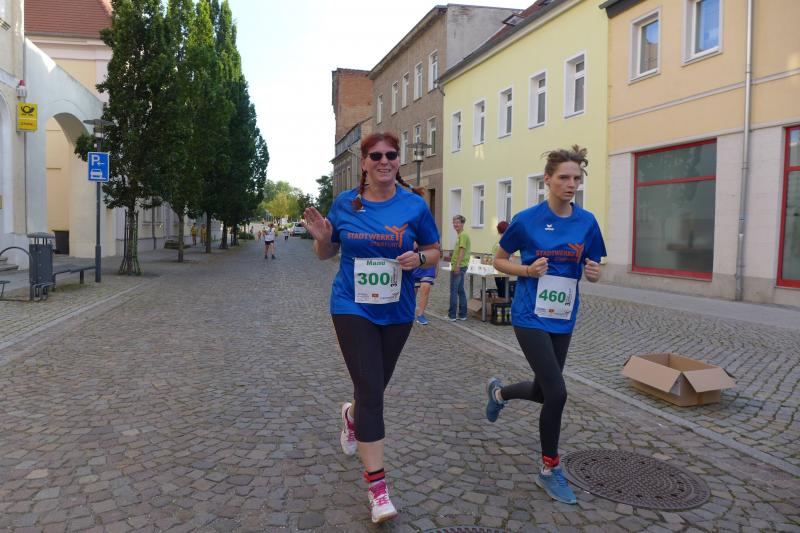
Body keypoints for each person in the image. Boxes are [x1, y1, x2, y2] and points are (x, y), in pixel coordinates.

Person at [303, 132, 440, 524]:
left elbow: (434, 250)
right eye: (375, 155)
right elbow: (326, 253)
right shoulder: (346, 204)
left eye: (391, 155)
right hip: (352, 306)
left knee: (373, 389)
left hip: (397, 310)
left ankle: (351, 416)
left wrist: (420, 259)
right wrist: (323, 240)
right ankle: (378, 488)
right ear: (363, 162)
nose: (384, 161)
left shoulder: (414, 205)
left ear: (398, 160)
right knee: (371, 392)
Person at [485, 145, 605, 505]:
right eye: (564, 177)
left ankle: (499, 394)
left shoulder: (587, 222)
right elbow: (498, 260)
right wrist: (526, 269)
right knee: (558, 393)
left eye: (576, 178)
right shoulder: (527, 220)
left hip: (563, 316)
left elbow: (593, 265)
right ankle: (550, 469)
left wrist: (594, 273)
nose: (571, 184)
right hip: (529, 315)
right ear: (548, 180)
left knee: (543, 391)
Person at [448, 215, 470, 321]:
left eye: (458, 222)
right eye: (454, 222)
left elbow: (462, 251)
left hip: (459, 266)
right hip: (460, 266)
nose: (455, 224)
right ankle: (462, 314)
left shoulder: (463, 235)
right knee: (460, 290)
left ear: (462, 223)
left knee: (454, 290)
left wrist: (457, 265)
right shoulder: (460, 235)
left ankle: (452, 315)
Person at [412, 243, 438, 325]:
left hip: (429, 266)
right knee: (412, 292)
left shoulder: (433, 236)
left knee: (425, 289)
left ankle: (420, 315)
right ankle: (410, 311)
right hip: (415, 265)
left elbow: (436, 250)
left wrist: (437, 267)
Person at [492, 221, 510, 298]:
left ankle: (502, 302)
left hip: (498, 268)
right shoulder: (505, 241)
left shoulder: (498, 241)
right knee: (503, 290)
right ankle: (503, 302)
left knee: (501, 289)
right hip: (503, 269)